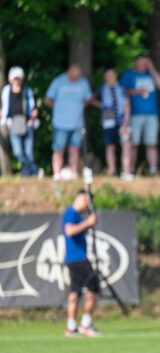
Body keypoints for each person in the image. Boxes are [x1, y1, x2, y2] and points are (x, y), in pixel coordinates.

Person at [62, 190, 101, 337]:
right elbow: (70, 231)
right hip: (78, 258)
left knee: (75, 292)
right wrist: (88, 223)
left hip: (75, 259)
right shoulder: (71, 213)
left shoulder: (76, 215)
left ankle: (71, 327)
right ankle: (85, 324)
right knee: (92, 288)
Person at [120, 54, 160, 176]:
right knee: (133, 144)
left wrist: (152, 68)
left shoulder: (151, 74)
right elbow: (121, 90)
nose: (143, 65)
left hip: (152, 114)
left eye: (146, 63)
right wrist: (136, 91)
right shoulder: (129, 74)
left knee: (151, 143)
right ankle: (130, 170)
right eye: (141, 62)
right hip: (134, 114)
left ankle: (153, 169)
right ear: (135, 63)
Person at [44, 64, 92, 180]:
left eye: (78, 76)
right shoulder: (58, 82)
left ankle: (73, 172)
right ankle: (57, 173)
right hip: (60, 123)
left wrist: (78, 106)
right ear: (69, 73)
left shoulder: (83, 83)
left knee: (74, 148)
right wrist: (59, 108)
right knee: (58, 149)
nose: (77, 79)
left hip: (77, 123)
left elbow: (88, 99)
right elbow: (47, 100)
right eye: (75, 76)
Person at [1, 66, 38, 177]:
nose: (16, 81)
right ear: (10, 79)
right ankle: (34, 170)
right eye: (14, 79)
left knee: (29, 152)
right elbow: (3, 108)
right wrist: (5, 120)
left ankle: (27, 173)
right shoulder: (6, 91)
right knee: (17, 152)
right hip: (12, 124)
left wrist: (32, 119)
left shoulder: (27, 91)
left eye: (18, 78)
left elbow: (34, 108)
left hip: (27, 123)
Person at [95, 69, 131, 179]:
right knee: (110, 146)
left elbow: (127, 105)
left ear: (116, 76)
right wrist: (102, 106)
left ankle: (126, 171)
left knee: (125, 145)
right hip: (108, 120)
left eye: (112, 75)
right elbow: (92, 99)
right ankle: (112, 171)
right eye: (107, 75)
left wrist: (126, 122)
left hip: (122, 121)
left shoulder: (122, 88)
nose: (110, 77)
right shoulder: (102, 89)